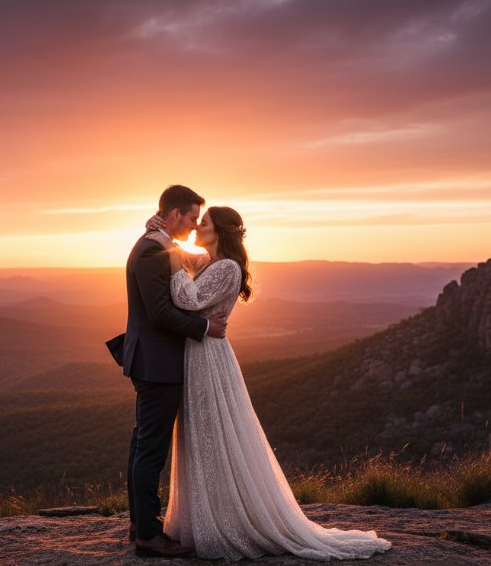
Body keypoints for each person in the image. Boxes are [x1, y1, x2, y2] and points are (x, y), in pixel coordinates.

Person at [143, 206, 392, 561]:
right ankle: (206, 519)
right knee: (200, 436)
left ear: (221, 232)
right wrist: (159, 231)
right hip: (197, 355)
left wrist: (174, 267)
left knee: (214, 435)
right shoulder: (207, 263)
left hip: (208, 358)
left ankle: (227, 522)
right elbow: (178, 252)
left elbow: (188, 300)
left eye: (205, 224)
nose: (197, 227)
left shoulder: (227, 268)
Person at [123, 184, 229, 558]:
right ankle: (148, 535)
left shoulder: (155, 243)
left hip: (150, 360)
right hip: (157, 363)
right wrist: (204, 328)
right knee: (150, 447)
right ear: (174, 215)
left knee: (143, 442)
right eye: (192, 218)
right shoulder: (153, 250)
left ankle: (140, 524)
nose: (195, 225)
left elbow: (181, 257)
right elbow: (160, 312)